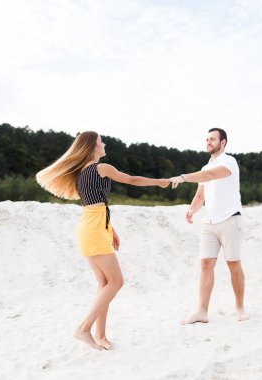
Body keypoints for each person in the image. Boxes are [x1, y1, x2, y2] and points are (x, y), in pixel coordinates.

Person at [36, 131, 170, 350]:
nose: (104, 143)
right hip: (95, 228)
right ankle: (83, 329)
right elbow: (132, 180)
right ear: (92, 146)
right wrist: (160, 182)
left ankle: (100, 336)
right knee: (116, 282)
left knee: (104, 284)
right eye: (100, 141)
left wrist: (111, 229)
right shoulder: (101, 168)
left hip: (92, 226)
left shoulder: (81, 173)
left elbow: (94, 205)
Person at [170, 128, 249, 324]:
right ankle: (202, 311)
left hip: (231, 219)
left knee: (233, 265)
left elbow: (212, 175)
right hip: (209, 222)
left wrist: (184, 177)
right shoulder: (205, 167)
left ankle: (239, 307)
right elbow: (200, 196)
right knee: (206, 265)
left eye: (212, 139)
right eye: (207, 139)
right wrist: (192, 210)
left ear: (223, 143)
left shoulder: (229, 161)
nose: (208, 142)